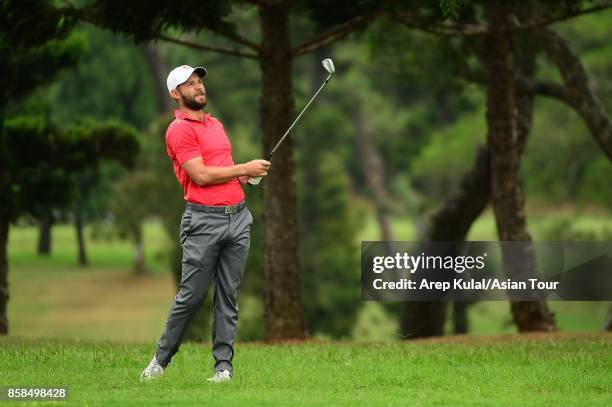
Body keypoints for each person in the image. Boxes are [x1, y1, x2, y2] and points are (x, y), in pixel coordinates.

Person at [140, 65, 270, 383]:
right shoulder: (179, 130)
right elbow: (200, 175)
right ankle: (160, 360)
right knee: (192, 295)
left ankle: (223, 367)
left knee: (228, 296)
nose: (198, 88)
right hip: (203, 223)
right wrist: (244, 165)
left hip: (238, 217)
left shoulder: (216, 124)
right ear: (176, 94)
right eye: (190, 84)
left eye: (199, 82)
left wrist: (244, 175)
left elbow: (221, 168)